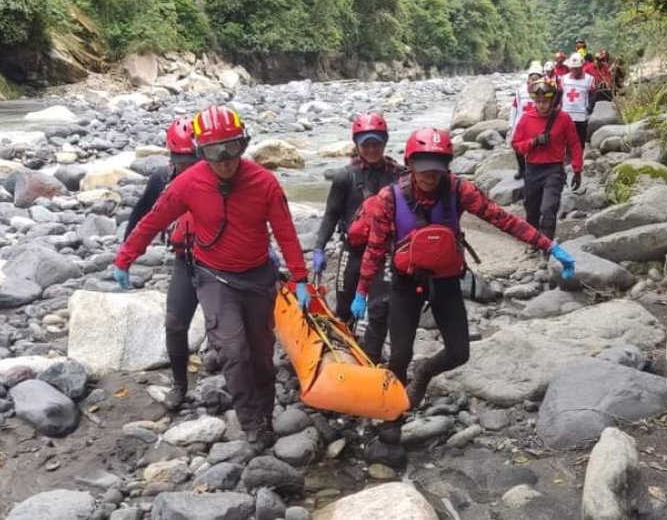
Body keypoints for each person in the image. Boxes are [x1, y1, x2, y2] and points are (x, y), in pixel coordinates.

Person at [351, 128, 577, 440]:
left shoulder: (459, 190)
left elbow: (503, 219)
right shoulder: (390, 198)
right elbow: (376, 248)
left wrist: (548, 245)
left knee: (459, 352)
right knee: (400, 354)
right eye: (423, 168)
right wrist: (362, 291)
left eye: (437, 168)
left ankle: (425, 372)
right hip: (405, 282)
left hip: (445, 282)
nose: (430, 175)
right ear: (410, 164)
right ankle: (392, 416)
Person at [113, 105, 310, 448]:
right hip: (214, 278)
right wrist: (125, 258)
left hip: (258, 278)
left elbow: (287, 233)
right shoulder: (188, 183)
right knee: (233, 350)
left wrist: (300, 278)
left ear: (244, 144)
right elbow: (153, 220)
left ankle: (265, 412)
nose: (224, 160)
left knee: (262, 355)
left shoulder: (264, 183)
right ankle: (251, 424)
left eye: (231, 148)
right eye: (214, 152)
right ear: (200, 153)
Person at [120, 117, 202, 406]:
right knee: (175, 324)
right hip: (186, 260)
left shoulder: (221, 176)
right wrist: (125, 257)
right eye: (183, 161)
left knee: (228, 331)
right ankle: (180, 386)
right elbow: (143, 217)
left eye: (195, 160)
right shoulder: (162, 179)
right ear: (172, 157)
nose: (190, 168)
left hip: (221, 261)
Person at [312, 113, 403, 361]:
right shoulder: (345, 177)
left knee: (379, 308)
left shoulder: (399, 176)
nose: (372, 149)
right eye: (366, 144)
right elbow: (331, 215)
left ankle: (372, 356)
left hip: (384, 253)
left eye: (377, 143)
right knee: (344, 306)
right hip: (352, 251)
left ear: (384, 143)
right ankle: (343, 351)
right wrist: (319, 247)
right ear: (357, 145)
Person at [511, 77, 584, 240]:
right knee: (532, 210)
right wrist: (534, 142)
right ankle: (534, 241)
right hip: (532, 169)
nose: (541, 105)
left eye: (545, 101)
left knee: (549, 208)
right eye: (538, 101)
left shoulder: (563, 118)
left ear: (552, 100)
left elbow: (574, 144)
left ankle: (547, 245)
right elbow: (516, 145)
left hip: (554, 169)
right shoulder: (526, 119)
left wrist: (577, 169)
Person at [508, 69, 543, 179]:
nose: (534, 82)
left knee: (536, 147)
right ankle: (522, 169)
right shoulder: (520, 91)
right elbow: (514, 107)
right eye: (532, 79)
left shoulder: (544, 91)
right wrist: (511, 124)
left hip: (536, 124)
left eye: (537, 80)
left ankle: (536, 170)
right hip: (521, 124)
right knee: (518, 148)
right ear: (528, 79)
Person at [558, 52, 595, 145]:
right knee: (565, 141)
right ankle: (567, 158)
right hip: (566, 116)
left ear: (582, 66)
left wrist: (590, 107)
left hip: (581, 117)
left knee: (580, 141)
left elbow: (593, 95)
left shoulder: (590, 79)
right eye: (573, 68)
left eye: (577, 68)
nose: (575, 70)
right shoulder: (564, 79)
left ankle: (579, 158)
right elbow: (559, 94)